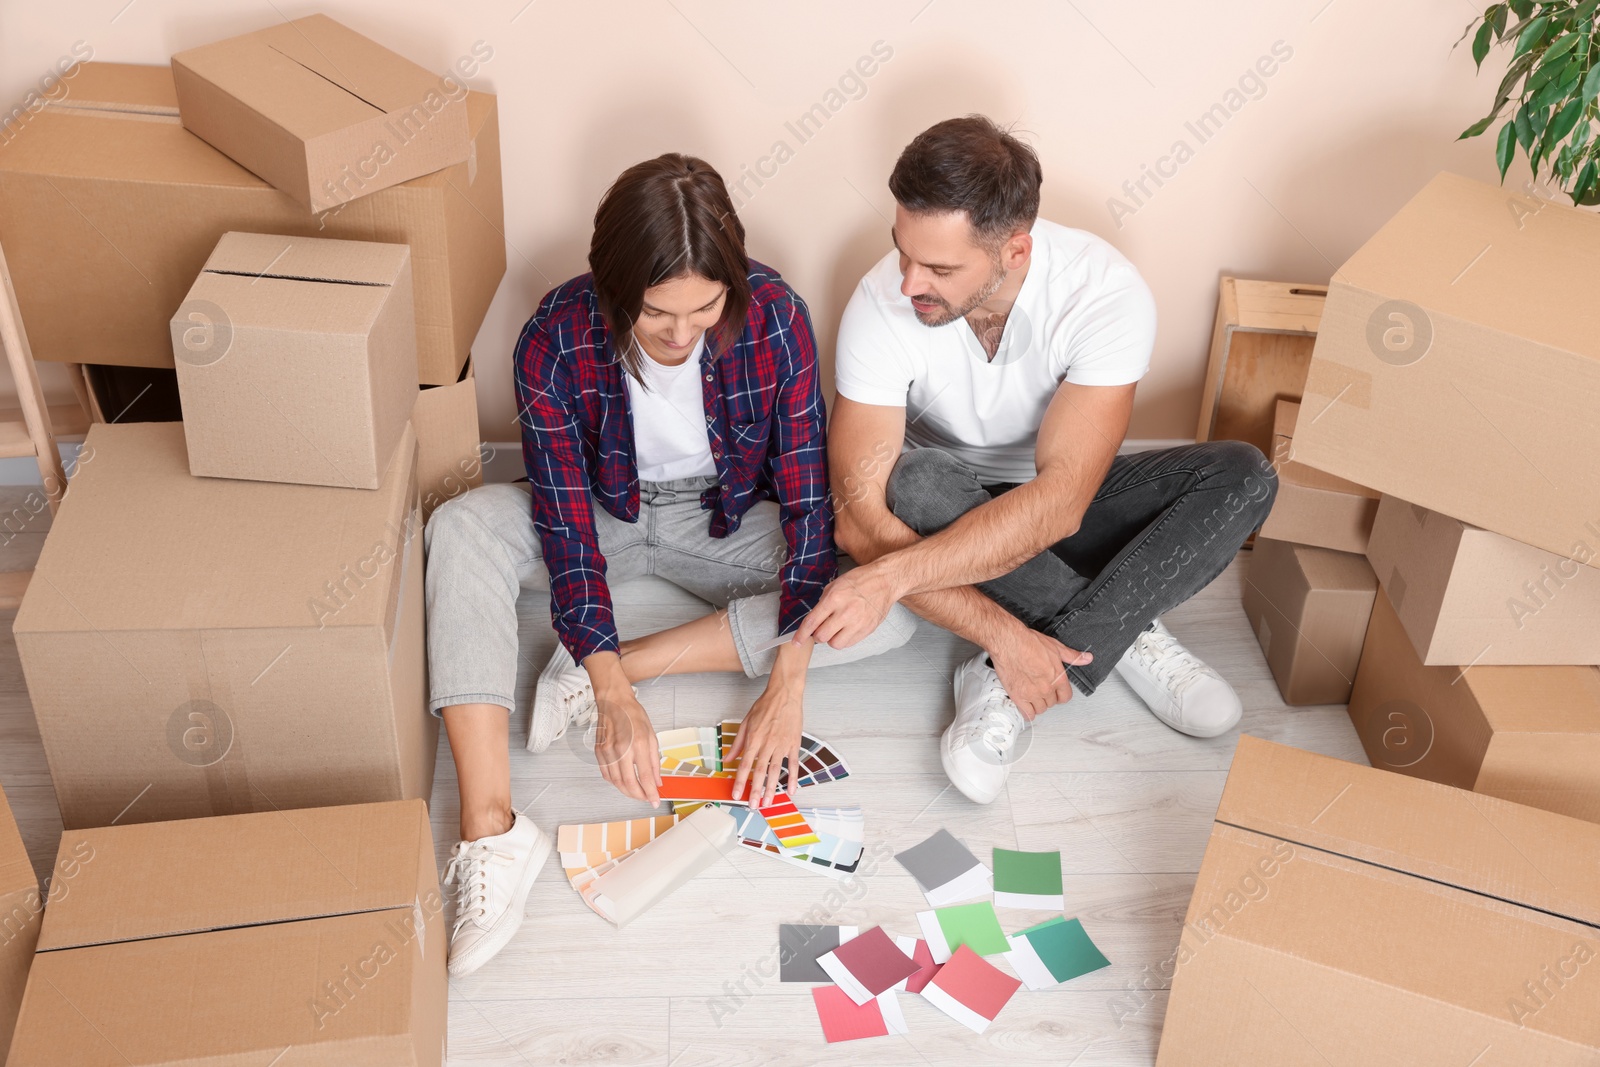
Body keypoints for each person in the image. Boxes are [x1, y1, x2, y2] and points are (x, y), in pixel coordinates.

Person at [425, 154, 915, 977]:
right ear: (613, 288)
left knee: (887, 607)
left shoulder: (778, 317)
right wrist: (612, 690)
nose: (683, 336)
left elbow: (804, 506)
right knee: (462, 527)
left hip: (720, 517)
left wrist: (788, 677)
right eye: (656, 316)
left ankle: (603, 667)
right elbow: (563, 523)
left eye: (704, 309)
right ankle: (492, 830)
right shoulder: (554, 332)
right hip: (598, 510)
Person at [800, 116, 1276, 804]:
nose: (908, 282)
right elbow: (859, 523)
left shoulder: (1103, 290)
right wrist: (1000, 629)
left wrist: (889, 581)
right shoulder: (881, 303)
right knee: (919, 480)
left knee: (1243, 475)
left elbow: (1061, 502)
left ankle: (1011, 672)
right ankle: (1116, 626)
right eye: (902, 250)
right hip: (943, 502)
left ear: (1015, 250)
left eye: (939, 267)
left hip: (1059, 504)